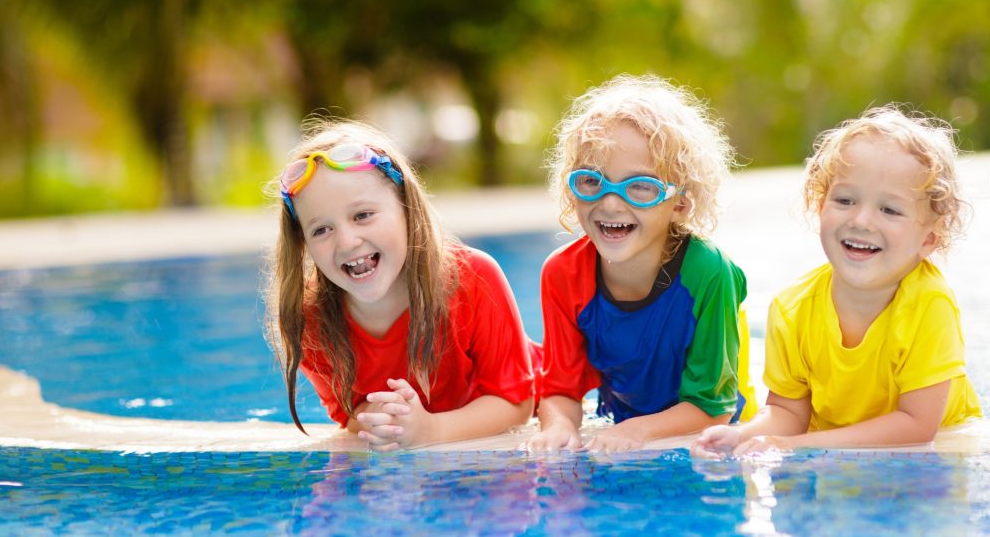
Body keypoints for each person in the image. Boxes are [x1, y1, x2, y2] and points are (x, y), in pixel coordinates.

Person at [692, 105, 981, 458]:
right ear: (819, 203)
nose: (861, 220)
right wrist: (740, 436)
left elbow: (917, 427)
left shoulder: (929, 304)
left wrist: (795, 445)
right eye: (845, 200)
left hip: (934, 458)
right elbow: (787, 414)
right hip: (837, 453)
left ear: (929, 240)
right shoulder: (792, 309)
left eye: (889, 210)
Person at [265, 118, 537, 452]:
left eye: (362, 215)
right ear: (303, 243)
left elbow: (517, 404)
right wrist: (379, 416)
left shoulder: (473, 278)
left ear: (407, 208)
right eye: (321, 230)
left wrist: (431, 430)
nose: (347, 241)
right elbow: (347, 414)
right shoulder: (308, 319)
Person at [529, 74, 756, 453]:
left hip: (716, 437)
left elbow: (715, 408)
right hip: (624, 429)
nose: (611, 203)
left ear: (680, 203)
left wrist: (638, 431)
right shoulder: (563, 274)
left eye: (641, 186)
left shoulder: (709, 273)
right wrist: (559, 426)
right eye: (592, 182)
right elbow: (559, 391)